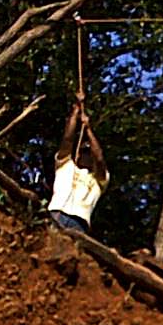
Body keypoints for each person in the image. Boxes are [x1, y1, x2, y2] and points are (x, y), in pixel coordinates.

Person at [47, 93, 109, 234]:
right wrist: (75, 112)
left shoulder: (99, 179)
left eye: (89, 153)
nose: (86, 155)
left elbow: (99, 157)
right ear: (78, 154)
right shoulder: (66, 165)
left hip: (80, 222)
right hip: (57, 213)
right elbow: (67, 139)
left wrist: (88, 129)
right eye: (83, 151)